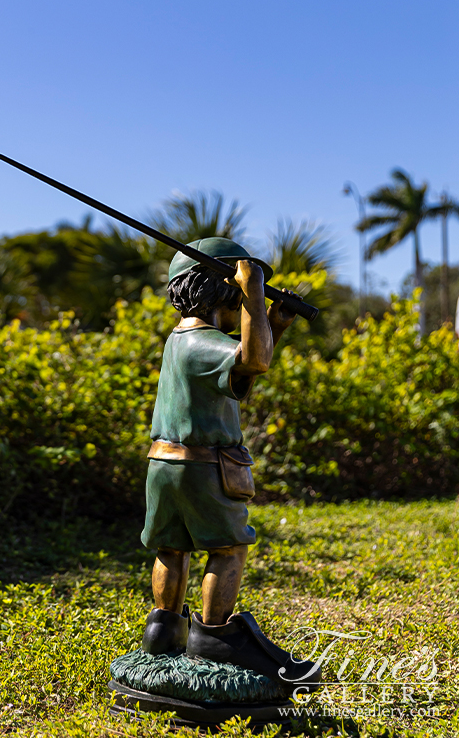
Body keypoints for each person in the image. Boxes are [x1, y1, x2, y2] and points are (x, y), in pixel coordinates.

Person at [140, 237, 321, 687]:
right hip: (203, 468)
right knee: (228, 548)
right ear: (224, 288)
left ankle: (163, 630)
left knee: (173, 546)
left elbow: (240, 369)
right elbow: (253, 360)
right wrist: (255, 293)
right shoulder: (203, 342)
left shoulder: (180, 341)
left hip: (164, 465)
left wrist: (272, 326)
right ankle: (215, 635)